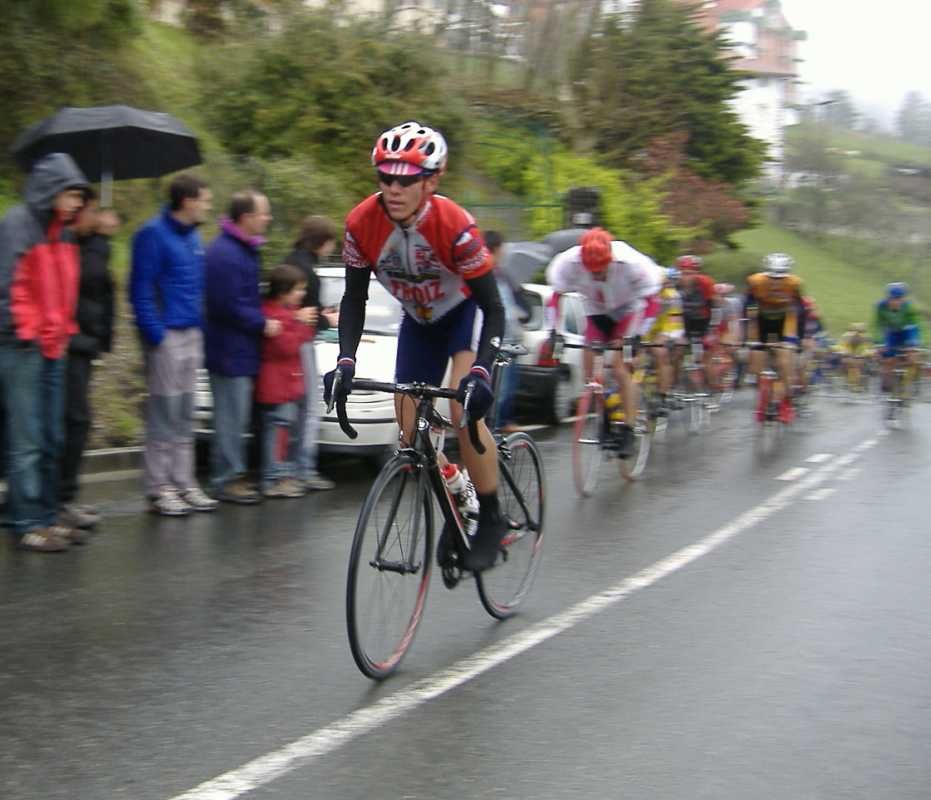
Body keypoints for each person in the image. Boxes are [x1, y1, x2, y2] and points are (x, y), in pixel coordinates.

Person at [324, 121, 506, 572]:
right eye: (386, 177)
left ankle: (492, 517)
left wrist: (481, 371)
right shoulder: (361, 223)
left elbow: (494, 307)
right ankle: (458, 492)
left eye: (406, 180)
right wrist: (346, 359)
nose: (394, 188)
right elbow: (354, 299)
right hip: (419, 323)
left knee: (463, 413)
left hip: (464, 315)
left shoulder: (456, 226)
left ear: (432, 180)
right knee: (411, 438)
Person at [0, 152, 89, 551]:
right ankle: (26, 522)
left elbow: (65, 291)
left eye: (79, 197)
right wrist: (28, 332)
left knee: (53, 436)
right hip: (22, 345)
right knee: (27, 440)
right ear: (51, 189)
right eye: (71, 195)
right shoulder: (16, 224)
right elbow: (9, 287)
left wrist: (65, 330)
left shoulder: (64, 234)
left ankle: (48, 515)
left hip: (55, 345)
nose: (76, 204)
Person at [129, 174, 218, 517]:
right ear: (187, 201)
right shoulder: (152, 234)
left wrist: (200, 327)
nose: (208, 206)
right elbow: (140, 290)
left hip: (192, 334)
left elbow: (196, 287)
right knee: (163, 413)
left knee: (184, 413)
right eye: (204, 200)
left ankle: (183, 482)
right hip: (167, 337)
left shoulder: (193, 235)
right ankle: (159, 488)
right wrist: (157, 335)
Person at [546, 227, 664, 456]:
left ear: (611, 258)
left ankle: (628, 429)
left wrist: (639, 334)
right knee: (590, 371)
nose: (597, 275)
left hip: (628, 311)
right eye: (592, 271)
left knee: (619, 368)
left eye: (602, 269)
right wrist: (554, 330)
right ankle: (606, 416)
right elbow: (556, 297)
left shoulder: (632, 262)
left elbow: (652, 300)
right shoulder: (567, 262)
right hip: (596, 312)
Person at [203, 190, 276, 505]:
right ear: (246, 217)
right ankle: (225, 479)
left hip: (241, 348)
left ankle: (233, 473)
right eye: (263, 213)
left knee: (237, 416)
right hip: (228, 350)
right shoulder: (226, 254)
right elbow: (227, 304)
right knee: (230, 417)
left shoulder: (244, 250)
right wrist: (262, 323)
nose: (268, 218)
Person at [59, 189, 117, 531]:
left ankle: (62, 499)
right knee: (73, 421)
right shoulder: (66, 242)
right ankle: (55, 501)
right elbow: (85, 281)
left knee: (75, 422)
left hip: (82, 342)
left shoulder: (88, 243)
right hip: (68, 342)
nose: (96, 217)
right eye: (92, 211)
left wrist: (100, 239)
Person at [284, 215, 340, 490]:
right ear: (323, 242)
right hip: (303, 343)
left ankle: (287, 467)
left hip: (284, 344)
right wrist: (328, 319)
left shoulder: (289, 261)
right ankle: (304, 469)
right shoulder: (309, 273)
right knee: (309, 407)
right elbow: (309, 316)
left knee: (292, 408)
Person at [256, 264, 313, 498]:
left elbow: (305, 335)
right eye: (297, 289)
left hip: (289, 384)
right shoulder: (272, 314)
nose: (302, 294)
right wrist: (297, 321)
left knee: (286, 433)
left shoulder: (288, 314)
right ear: (282, 292)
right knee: (276, 434)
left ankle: (281, 475)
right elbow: (286, 346)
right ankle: (271, 478)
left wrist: (297, 322)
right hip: (276, 385)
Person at [743, 252, 805, 423]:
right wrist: (746, 338)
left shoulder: (794, 284)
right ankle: (763, 395)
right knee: (756, 362)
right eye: (772, 278)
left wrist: (798, 339)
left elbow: (800, 311)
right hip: (762, 320)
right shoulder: (755, 282)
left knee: (784, 362)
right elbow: (747, 309)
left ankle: (787, 400)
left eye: (781, 278)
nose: (776, 282)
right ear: (765, 274)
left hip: (786, 321)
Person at [485, 230, 530, 432]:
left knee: (508, 385)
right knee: (499, 387)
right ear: (494, 249)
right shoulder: (487, 275)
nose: (503, 252)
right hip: (497, 339)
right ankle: (492, 426)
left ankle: (502, 422)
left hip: (512, 338)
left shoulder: (503, 275)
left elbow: (516, 304)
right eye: (501, 248)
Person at [874, 282, 922, 392]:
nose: (896, 302)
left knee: (911, 356)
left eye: (899, 299)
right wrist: (878, 343)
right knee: (888, 359)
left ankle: (910, 381)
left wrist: (913, 344)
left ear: (903, 299)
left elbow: (914, 326)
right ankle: (888, 382)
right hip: (891, 332)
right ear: (888, 298)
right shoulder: (880, 306)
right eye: (893, 299)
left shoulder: (909, 307)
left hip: (907, 331)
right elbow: (877, 325)